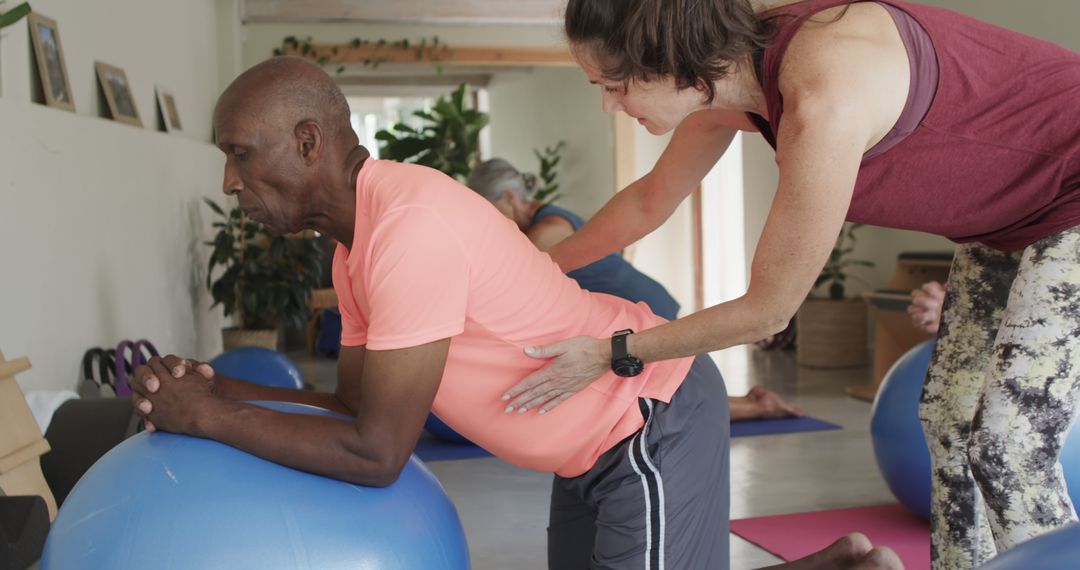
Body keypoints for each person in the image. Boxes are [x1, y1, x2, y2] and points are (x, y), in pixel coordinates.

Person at [130, 57, 901, 570]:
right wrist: (222, 391)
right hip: (583, 453)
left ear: (307, 144)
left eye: (240, 153)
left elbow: (376, 453)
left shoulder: (407, 229)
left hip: (644, 420)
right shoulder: (354, 247)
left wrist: (207, 420)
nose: (230, 182)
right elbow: (350, 406)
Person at [499, 1, 1080, 567]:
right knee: (947, 420)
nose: (607, 105)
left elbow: (768, 311)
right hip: (1010, 222)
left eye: (613, 84)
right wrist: (523, 270)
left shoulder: (825, 93)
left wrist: (611, 353)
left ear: (667, 61)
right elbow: (648, 204)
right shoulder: (729, 80)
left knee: (1009, 445)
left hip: (1070, 198)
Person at [467, 157, 803, 421]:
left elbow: (523, 287)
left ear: (510, 197)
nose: (490, 221)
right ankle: (754, 402)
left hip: (643, 308)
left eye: (488, 208)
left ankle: (764, 409)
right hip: (632, 307)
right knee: (661, 392)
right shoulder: (545, 222)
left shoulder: (548, 230)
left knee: (657, 401)